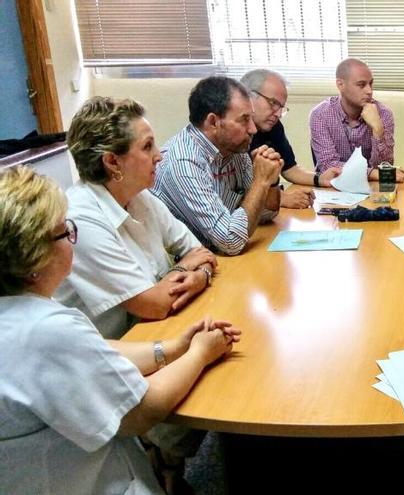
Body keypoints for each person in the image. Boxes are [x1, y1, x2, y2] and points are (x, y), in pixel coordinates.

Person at [0, 165, 240, 494]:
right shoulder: (46, 331)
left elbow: (100, 352)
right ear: (33, 257)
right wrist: (200, 353)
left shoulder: (22, 313)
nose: (72, 237)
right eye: (64, 232)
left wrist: (175, 347)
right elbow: (142, 410)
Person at [56, 96, 216, 340]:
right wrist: (185, 269)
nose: (159, 155)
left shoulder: (139, 196)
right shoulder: (80, 220)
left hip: (149, 333)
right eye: (147, 146)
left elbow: (200, 253)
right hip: (108, 352)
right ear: (112, 161)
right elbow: (154, 304)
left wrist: (200, 275)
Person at [152, 76, 282, 256]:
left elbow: (266, 213)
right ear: (213, 122)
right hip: (183, 268)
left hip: (216, 259)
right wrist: (260, 182)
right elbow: (230, 242)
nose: (253, 129)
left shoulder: (233, 149)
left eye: (251, 118)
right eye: (244, 119)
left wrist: (271, 181)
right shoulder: (184, 162)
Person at [241, 69, 341, 209]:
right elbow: (236, 191)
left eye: (281, 107)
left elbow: (289, 169)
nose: (278, 114)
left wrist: (319, 179)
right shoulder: (232, 133)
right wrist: (281, 198)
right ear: (247, 96)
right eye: (272, 103)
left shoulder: (273, 126)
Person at [309, 58, 404, 182]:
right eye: (361, 85)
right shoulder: (320, 114)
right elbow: (328, 166)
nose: (369, 91)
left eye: (371, 84)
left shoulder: (383, 113)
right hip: (333, 190)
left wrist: (378, 130)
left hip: (371, 189)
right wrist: (371, 173)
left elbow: (383, 169)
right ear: (340, 85)